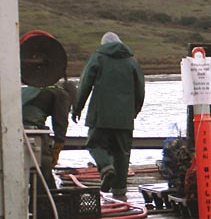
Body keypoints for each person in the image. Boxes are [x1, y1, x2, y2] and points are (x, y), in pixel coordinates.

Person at [72, 32, 145, 199]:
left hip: (101, 115)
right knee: (122, 153)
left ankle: (106, 168)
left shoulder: (98, 58)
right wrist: (133, 112)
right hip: (124, 118)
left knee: (94, 144)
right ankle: (120, 191)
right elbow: (140, 89)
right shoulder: (132, 61)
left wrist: (77, 107)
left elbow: (85, 84)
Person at [21, 80, 78, 189]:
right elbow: (60, 121)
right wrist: (58, 145)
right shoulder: (62, 94)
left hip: (11, 121)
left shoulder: (38, 87)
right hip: (30, 124)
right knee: (44, 159)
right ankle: (47, 195)